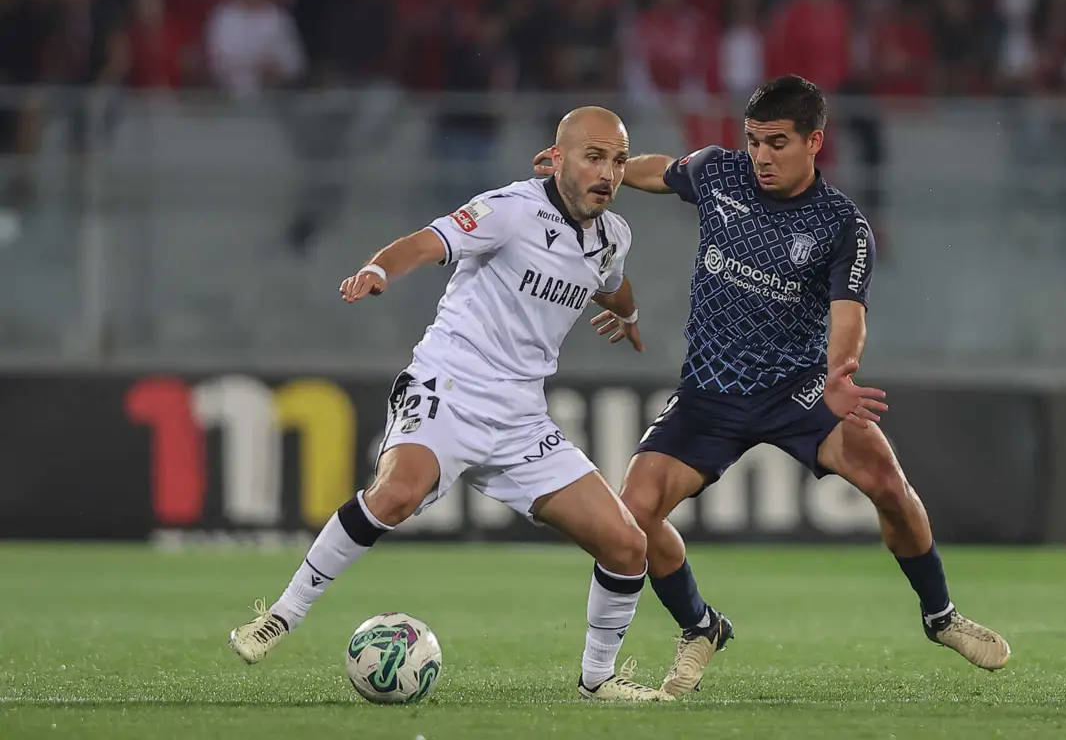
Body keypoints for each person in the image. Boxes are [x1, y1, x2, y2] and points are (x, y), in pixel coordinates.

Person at [533, 76, 1011, 697]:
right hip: (709, 390)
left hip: (799, 390)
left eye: (777, 143)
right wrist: (595, 171)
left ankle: (940, 615)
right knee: (634, 515)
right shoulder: (717, 173)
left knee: (889, 485)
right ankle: (700, 626)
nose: (761, 155)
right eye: (754, 140)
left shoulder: (842, 224)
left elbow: (849, 317)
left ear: (814, 142)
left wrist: (840, 376)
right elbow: (653, 171)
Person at [229, 107, 683, 701]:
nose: (608, 172)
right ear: (555, 159)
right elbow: (426, 242)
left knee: (628, 547)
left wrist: (629, 315)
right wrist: (377, 268)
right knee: (395, 494)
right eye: (594, 156)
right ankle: (281, 616)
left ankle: (597, 680)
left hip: (522, 419)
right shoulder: (510, 209)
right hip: (449, 388)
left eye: (619, 160)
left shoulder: (612, 235)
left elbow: (611, 279)